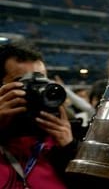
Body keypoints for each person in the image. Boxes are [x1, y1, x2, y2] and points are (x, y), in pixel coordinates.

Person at [0, 41, 78, 188]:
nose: (37, 89)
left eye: (41, 81)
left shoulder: (66, 130)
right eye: (24, 82)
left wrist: (69, 148)